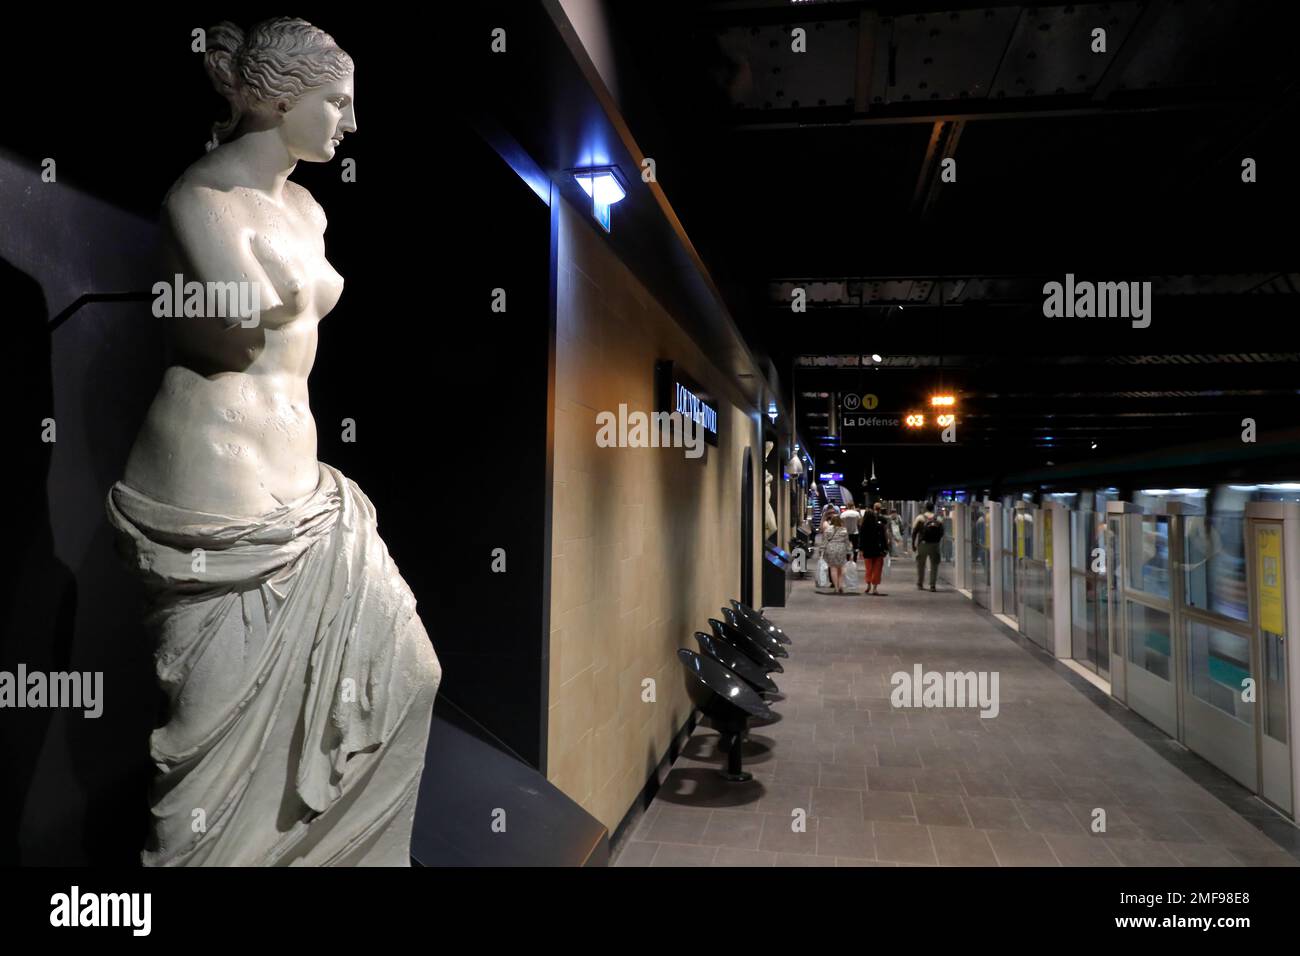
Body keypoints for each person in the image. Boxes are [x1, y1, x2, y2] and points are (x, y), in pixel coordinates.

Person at [912, 502, 944, 591]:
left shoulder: (920, 518)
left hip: (923, 544)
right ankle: (932, 585)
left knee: (921, 564)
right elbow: (942, 532)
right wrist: (937, 542)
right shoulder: (938, 518)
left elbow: (914, 532)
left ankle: (920, 584)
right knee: (934, 565)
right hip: (935, 545)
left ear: (925, 508)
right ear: (933, 508)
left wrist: (913, 545)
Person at [858, 503, 888, 595]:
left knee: (868, 569)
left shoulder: (863, 527)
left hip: (867, 550)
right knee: (877, 569)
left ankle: (868, 586)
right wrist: (886, 549)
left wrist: (860, 550)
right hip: (878, 550)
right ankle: (875, 588)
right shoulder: (879, 526)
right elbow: (884, 538)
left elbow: (861, 539)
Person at [823, 513, 851, 593]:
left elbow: (824, 541)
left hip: (831, 549)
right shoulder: (844, 530)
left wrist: (822, 551)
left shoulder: (828, 530)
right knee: (842, 567)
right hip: (841, 549)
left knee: (833, 568)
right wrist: (849, 551)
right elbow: (847, 542)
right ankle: (840, 584)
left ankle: (835, 587)